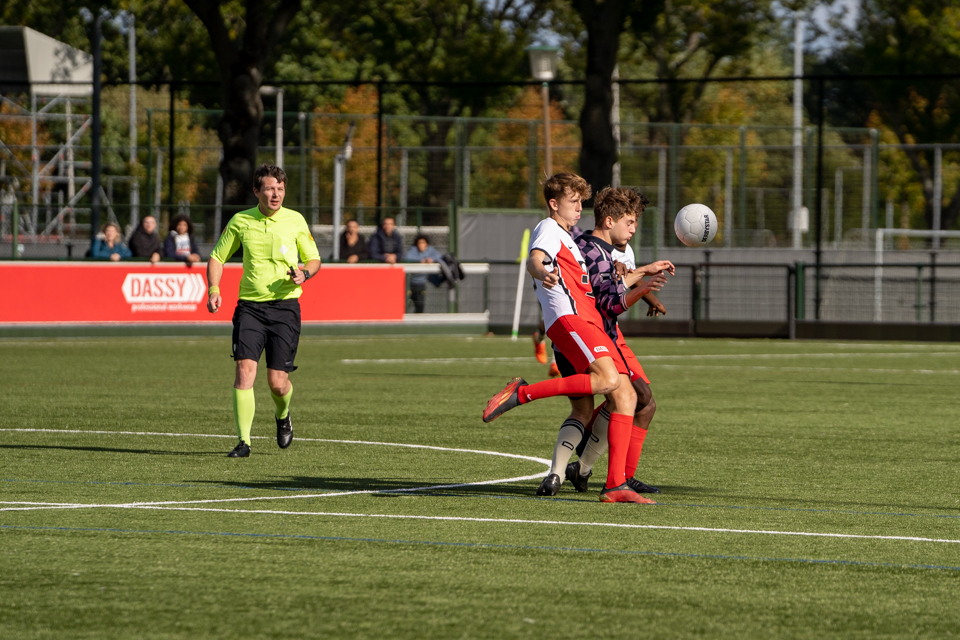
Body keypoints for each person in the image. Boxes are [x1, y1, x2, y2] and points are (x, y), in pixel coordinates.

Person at [481, 172, 649, 504]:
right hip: (570, 319)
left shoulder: (570, 237)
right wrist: (542, 271)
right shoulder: (549, 227)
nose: (578, 209)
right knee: (607, 381)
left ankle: (615, 485)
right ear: (554, 204)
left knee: (625, 396)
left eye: (581, 203)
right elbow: (534, 260)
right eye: (573, 203)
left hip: (588, 321)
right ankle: (523, 393)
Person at [542, 187, 674, 498]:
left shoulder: (614, 249)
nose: (633, 228)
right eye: (630, 221)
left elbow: (617, 284)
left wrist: (645, 288)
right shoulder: (588, 249)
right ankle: (603, 476)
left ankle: (590, 472)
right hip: (588, 337)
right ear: (610, 219)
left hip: (604, 336)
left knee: (636, 401)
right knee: (617, 401)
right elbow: (606, 302)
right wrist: (643, 286)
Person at [206, 164, 322, 458]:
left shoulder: (295, 220)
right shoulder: (241, 221)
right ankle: (244, 442)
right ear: (257, 190)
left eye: (281, 189)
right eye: (270, 188)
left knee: (277, 383)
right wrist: (214, 290)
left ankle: (283, 415)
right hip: (250, 308)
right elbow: (217, 257)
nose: (276, 194)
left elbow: (314, 260)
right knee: (244, 371)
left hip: (285, 309)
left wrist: (304, 274)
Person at [404, 233, 443, 313]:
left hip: (421, 284)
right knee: (406, 306)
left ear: (426, 244)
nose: (421, 245)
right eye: (419, 243)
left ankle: (416, 323)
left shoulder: (430, 250)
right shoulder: (413, 250)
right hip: (409, 284)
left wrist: (431, 259)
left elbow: (440, 256)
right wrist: (420, 261)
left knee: (420, 305)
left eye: (423, 243)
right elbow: (408, 258)